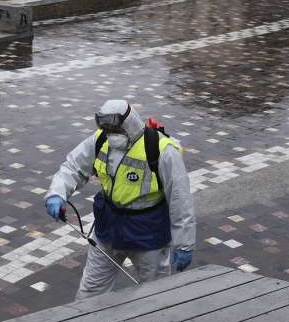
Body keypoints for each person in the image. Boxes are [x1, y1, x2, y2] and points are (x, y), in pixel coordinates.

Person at [45, 100, 196, 300]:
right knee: (89, 292)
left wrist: (184, 244)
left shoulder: (161, 149)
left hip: (147, 233)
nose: (111, 133)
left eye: (115, 129)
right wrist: (57, 193)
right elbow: (73, 167)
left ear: (129, 124)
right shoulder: (100, 141)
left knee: (155, 296)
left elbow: (180, 199)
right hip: (108, 229)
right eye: (107, 129)